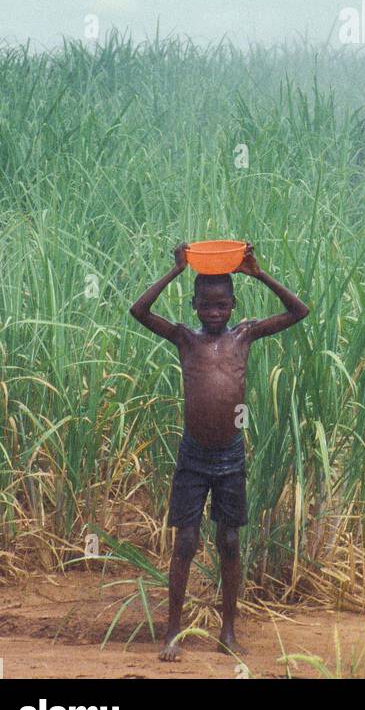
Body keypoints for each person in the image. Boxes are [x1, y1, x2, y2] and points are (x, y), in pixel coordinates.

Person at [130, 241, 310, 660]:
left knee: (229, 540)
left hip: (230, 455)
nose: (214, 311)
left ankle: (227, 632)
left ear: (233, 305)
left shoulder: (244, 334)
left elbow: (299, 312)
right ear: (193, 305)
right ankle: (172, 632)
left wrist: (258, 273)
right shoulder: (185, 339)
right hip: (193, 456)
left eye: (222, 304)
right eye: (206, 305)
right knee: (186, 542)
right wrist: (176, 269)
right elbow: (138, 312)